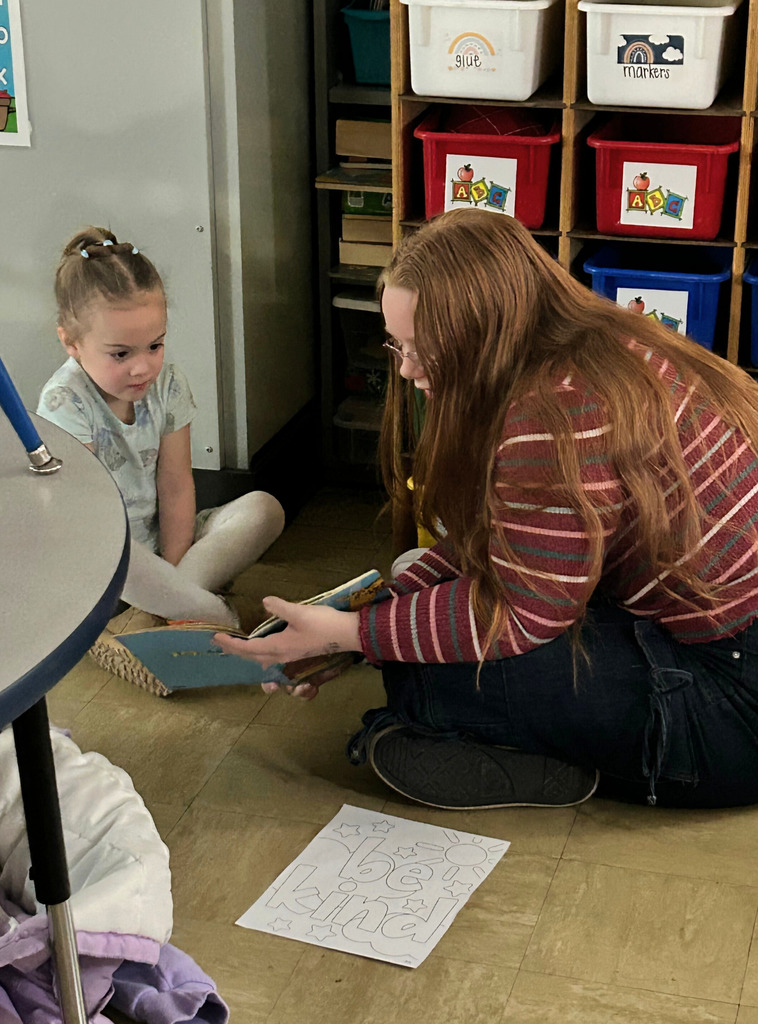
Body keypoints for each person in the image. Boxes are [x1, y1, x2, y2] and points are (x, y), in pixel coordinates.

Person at [213, 208, 758, 811]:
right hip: (719, 642)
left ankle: (544, 758)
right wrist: (377, 616)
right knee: (414, 608)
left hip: (731, 702)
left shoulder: (553, 417)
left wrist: (353, 634)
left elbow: (524, 613)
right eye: (398, 343)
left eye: (425, 349)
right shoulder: (597, 343)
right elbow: (517, 534)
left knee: (424, 674)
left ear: (486, 335)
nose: (406, 369)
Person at [38, 226, 284, 627]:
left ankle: (175, 606)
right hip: (106, 561)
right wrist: (156, 580)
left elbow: (175, 484)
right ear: (71, 343)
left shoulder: (168, 385)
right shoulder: (64, 402)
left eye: (155, 345)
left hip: (163, 553)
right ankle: (196, 611)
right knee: (122, 563)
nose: (143, 367)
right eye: (120, 354)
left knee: (265, 510)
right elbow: (84, 520)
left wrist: (174, 571)